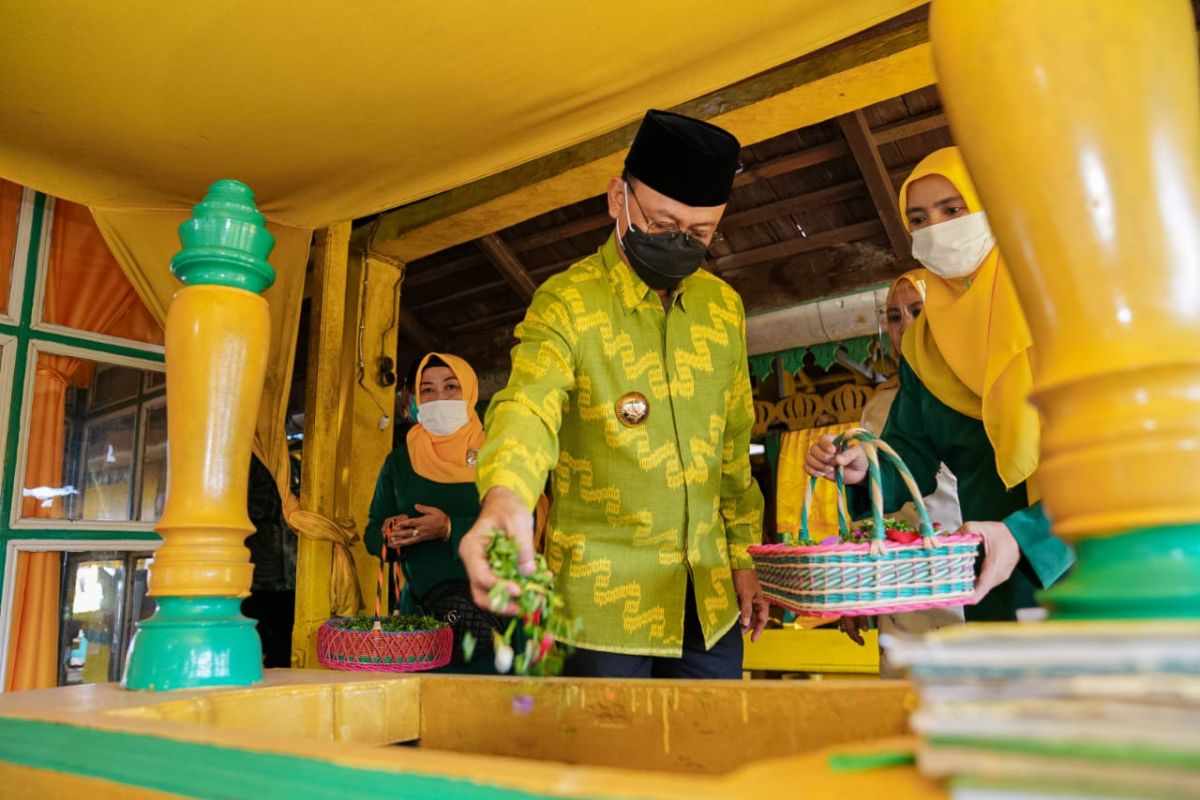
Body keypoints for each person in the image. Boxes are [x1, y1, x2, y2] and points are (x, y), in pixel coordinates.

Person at [458, 109, 768, 679]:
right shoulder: (568, 303)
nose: (679, 243)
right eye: (661, 223)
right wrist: (506, 498)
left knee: (709, 759)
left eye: (699, 234)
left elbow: (733, 447)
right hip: (601, 610)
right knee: (610, 763)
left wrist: (745, 555)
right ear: (616, 198)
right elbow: (527, 406)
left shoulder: (723, 308)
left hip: (708, 602)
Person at [805, 147, 1073, 622]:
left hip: (1089, 554)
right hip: (993, 572)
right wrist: (862, 469)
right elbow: (909, 448)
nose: (938, 230)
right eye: (919, 219)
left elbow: (1121, 450)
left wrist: (1029, 535)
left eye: (953, 210)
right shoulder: (925, 347)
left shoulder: (1060, 309)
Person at [843, 272, 965, 672]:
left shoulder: (981, 387)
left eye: (918, 310)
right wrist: (858, 585)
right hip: (899, 586)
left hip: (968, 571)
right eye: (894, 317)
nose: (907, 327)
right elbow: (874, 509)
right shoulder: (879, 405)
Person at [366, 352, 502, 668]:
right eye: (427, 390)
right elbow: (373, 533)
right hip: (423, 618)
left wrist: (450, 528)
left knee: (491, 711)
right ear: (416, 398)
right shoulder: (399, 463)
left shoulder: (498, 454)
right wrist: (389, 533)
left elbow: (521, 524)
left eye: (451, 387)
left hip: (493, 616)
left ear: (469, 391)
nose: (439, 397)